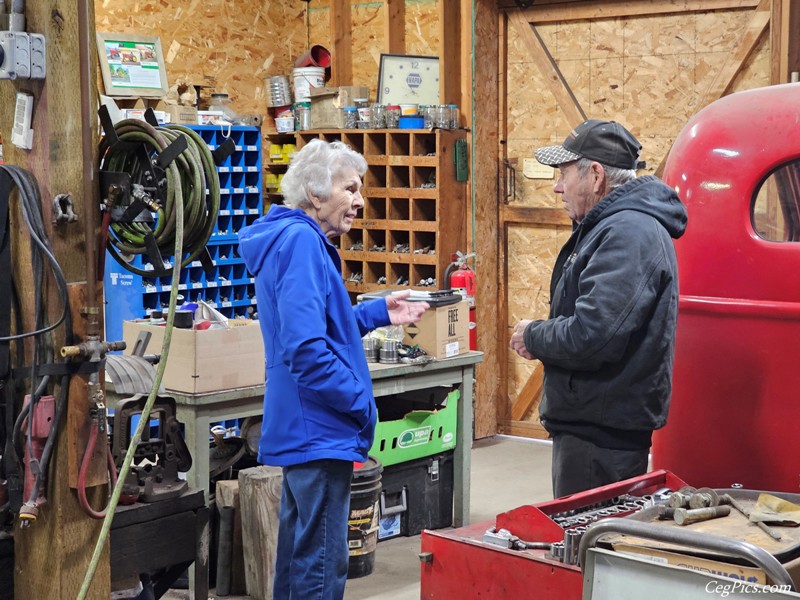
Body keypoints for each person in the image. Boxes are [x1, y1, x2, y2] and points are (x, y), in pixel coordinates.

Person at [238, 139, 429, 600]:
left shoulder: (289, 237)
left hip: (306, 424)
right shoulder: (303, 243)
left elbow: (322, 325)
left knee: (301, 552)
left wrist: (377, 312)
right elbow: (305, 348)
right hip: (320, 426)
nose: (360, 201)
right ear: (316, 195)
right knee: (322, 560)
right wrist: (357, 400)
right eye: (350, 189)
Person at [509, 119, 688, 498]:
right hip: (592, 423)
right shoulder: (611, 227)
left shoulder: (628, 233)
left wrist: (534, 335)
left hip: (601, 436)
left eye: (563, 174)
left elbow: (594, 335)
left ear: (595, 175)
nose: (557, 186)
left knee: (588, 547)